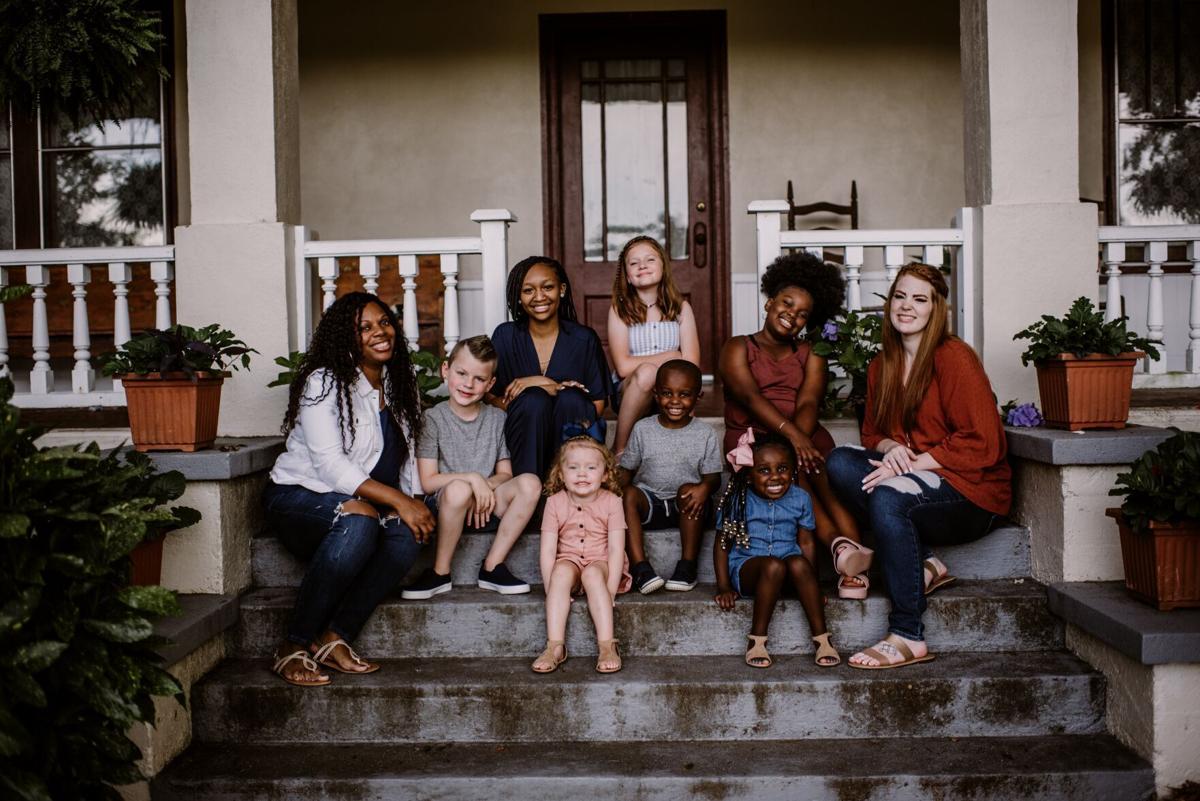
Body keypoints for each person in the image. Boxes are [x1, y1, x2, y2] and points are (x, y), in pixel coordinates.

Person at [825, 263, 1011, 670]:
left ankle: (908, 634)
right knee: (840, 462)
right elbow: (873, 433)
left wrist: (905, 468)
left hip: (970, 493)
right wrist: (892, 450)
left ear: (935, 309)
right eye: (900, 296)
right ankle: (925, 561)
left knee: (889, 495)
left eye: (919, 299)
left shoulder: (953, 357)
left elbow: (984, 442)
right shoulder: (882, 365)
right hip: (918, 477)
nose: (906, 306)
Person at [263, 292, 435, 687]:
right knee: (358, 521)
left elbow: (404, 457)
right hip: (298, 497)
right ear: (346, 337)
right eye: (366, 328)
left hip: (366, 500)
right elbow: (329, 464)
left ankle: (335, 637)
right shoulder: (323, 382)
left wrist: (412, 503)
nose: (380, 333)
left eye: (385, 323)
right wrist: (398, 501)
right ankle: (292, 644)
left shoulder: (399, 381)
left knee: (405, 534)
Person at [718, 251, 873, 599]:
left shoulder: (812, 352)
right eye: (786, 304)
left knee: (822, 477)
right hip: (753, 435)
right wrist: (791, 440)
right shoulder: (737, 347)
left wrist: (799, 439)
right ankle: (839, 549)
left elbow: (807, 401)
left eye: (803, 314)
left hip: (804, 431)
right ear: (770, 303)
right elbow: (750, 398)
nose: (792, 316)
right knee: (796, 475)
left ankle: (854, 565)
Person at [404, 335, 542, 600]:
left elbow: (505, 473)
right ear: (446, 370)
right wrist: (473, 480)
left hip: (486, 505)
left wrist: (484, 487)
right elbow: (429, 481)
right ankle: (440, 572)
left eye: (479, 379)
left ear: (490, 383)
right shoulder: (432, 419)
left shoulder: (498, 418)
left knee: (530, 483)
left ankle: (492, 566)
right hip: (449, 505)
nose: (468, 384)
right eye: (462, 373)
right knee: (457, 489)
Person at [712, 432, 840, 669]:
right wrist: (723, 586)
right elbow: (722, 545)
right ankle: (757, 641)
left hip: (788, 568)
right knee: (773, 565)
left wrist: (812, 586)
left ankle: (822, 640)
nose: (775, 477)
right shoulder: (737, 499)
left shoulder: (800, 498)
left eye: (782, 469)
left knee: (798, 563)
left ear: (793, 470)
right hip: (750, 569)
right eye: (764, 470)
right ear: (749, 475)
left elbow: (807, 543)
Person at [490, 256, 610, 478]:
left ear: (561, 289)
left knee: (571, 398)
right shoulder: (505, 336)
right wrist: (537, 390)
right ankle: (529, 492)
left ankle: (568, 487)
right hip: (523, 439)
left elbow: (598, 404)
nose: (539, 297)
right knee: (533, 400)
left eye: (548, 287)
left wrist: (547, 386)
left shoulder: (583, 339)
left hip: (572, 436)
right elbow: (489, 397)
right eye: (528, 290)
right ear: (518, 296)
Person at [618, 359, 722, 594]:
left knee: (689, 489)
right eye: (667, 393)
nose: (675, 401)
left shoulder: (705, 433)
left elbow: (713, 477)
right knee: (628, 495)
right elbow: (627, 470)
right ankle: (640, 568)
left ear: (698, 396)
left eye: (684, 394)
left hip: (688, 509)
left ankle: (687, 567)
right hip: (651, 504)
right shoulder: (642, 429)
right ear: (655, 394)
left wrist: (704, 488)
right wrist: (610, 491)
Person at [532, 436, 631, 675]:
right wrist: (552, 589)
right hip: (570, 560)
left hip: (602, 562)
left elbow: (617, 549)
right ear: (560, 474)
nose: (582, 474)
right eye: (573, 468)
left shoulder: (613, 502)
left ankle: (607, 646)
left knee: (593, 573)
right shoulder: (554, 502)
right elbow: (547, 550)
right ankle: (555, 646)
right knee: (561, 570)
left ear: (605, 474)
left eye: (591, 467)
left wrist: (608, 590)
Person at [606, 235, 700, 456]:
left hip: (671, 391)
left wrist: (675, 365)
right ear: (627, 276)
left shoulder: (681, 308)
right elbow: (623, 367)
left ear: (663, 268)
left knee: (679, 380)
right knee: (648, 372)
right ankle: (619, 450)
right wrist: (670, 355)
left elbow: (691, 364)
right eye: (634, 263)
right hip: (631, 391)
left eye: (650, 260)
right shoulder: (619, 310)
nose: (642, 266)